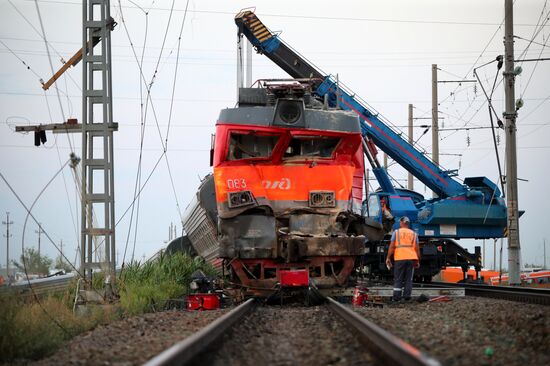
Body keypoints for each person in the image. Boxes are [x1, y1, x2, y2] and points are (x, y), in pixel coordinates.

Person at [385, 216, 420, 302]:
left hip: (400, 258)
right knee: (409, 279)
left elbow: (392, 246)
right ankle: (407, 297)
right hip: (411, 258)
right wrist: (417, 260)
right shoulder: (414, 234)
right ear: (408, 224)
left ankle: (396, 298)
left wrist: (388, 257)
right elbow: (417, 249)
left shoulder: (396, 233)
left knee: (398, 278)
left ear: (401, 223)